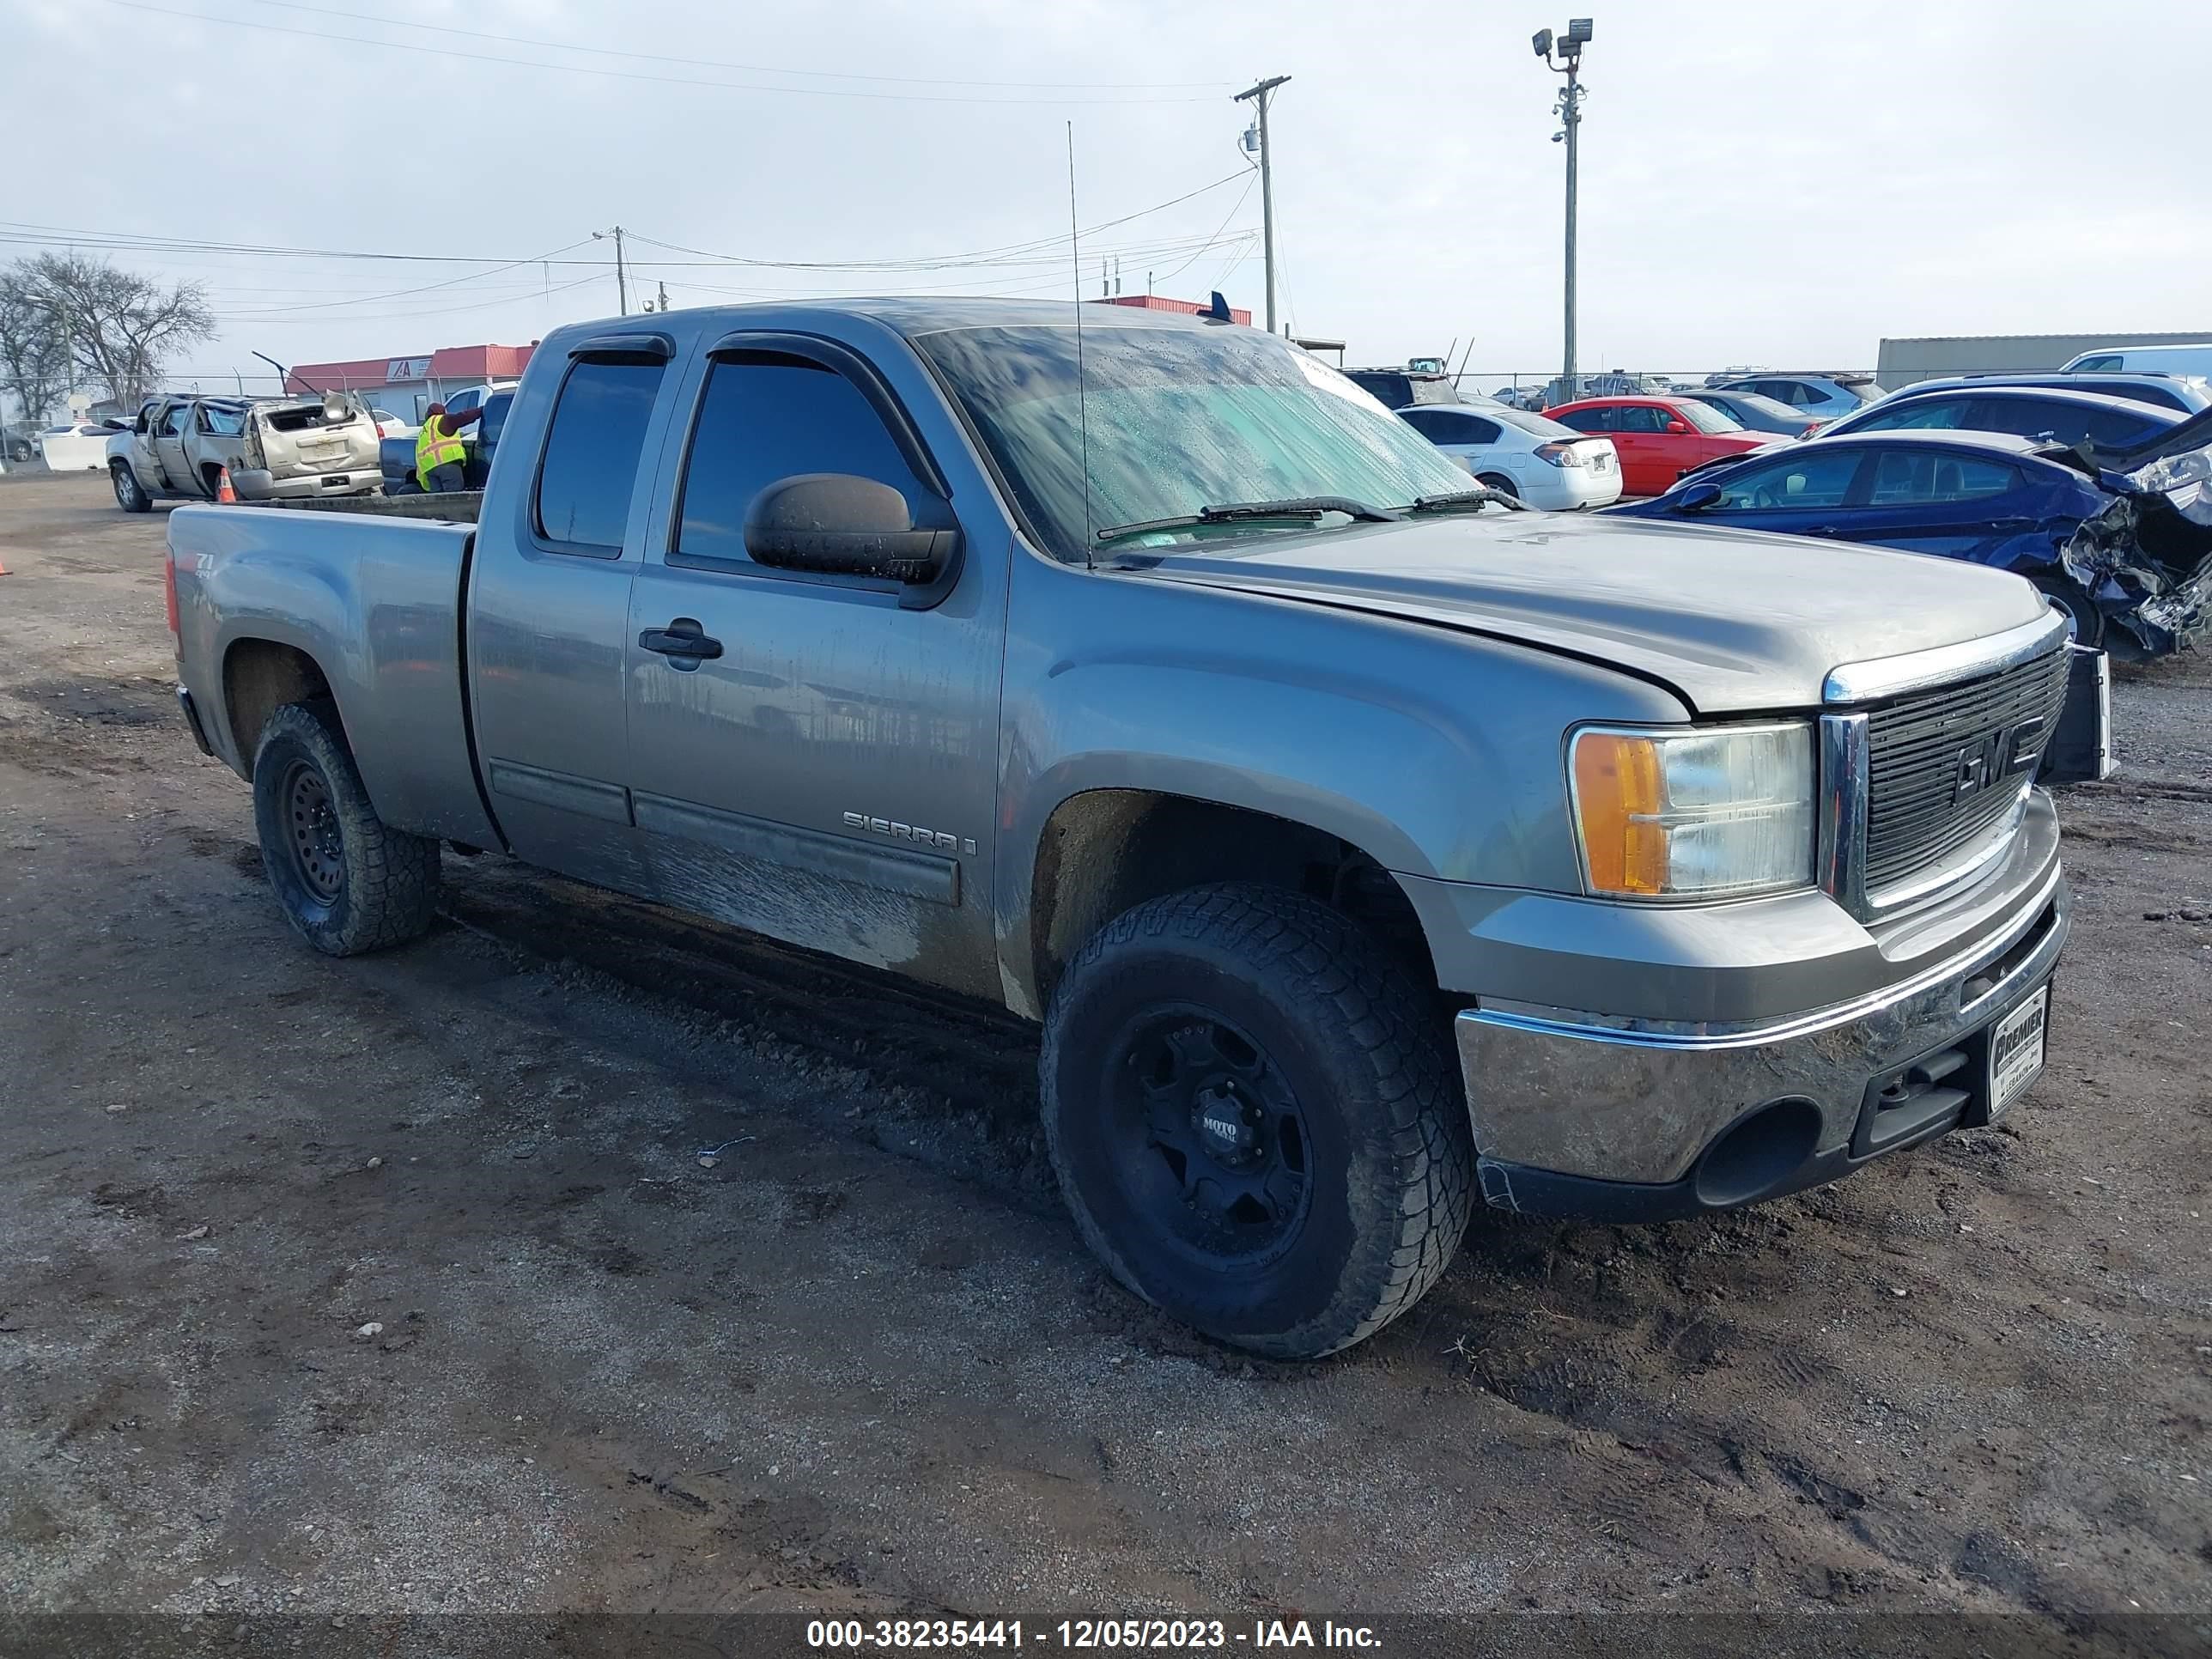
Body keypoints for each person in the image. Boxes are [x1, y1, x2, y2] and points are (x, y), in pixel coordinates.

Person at [414, 400, 487, 493]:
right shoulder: (442, 420)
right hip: (446, 465)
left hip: (429, 470)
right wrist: (482, 410)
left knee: (439, 501)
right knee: (454, 498)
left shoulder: (425, 429)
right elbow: (464, 417)